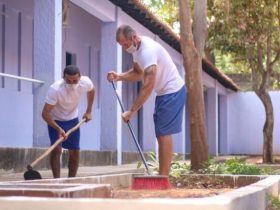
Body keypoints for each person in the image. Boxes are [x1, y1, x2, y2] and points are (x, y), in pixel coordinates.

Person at [107, 25, 186, 176]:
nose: (124, 48)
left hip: (173, 91)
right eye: (121, 45)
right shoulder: (137, 51)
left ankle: (163, 177)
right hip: (163, 93)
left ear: (134, 37)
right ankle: (163, 175)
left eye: (125, 44)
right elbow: (138, 73)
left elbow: (148, 84)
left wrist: (132, 110)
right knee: (160, 132)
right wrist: (120, 76)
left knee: (163, 133)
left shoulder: (148, 51)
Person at [42, 65, 95, 178]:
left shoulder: (85, 82)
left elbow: (91, 90)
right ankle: (57, 181)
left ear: (80, 77)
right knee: (56, 150)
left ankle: (71, 180)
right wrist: (58, 128)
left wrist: (89, 111)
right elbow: (45, 113)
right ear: (63, 78)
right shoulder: (55, 89)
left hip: (73, 119)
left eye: (75, 81)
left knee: (75, 151)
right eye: (68, 81)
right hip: (55, 120)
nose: (71, 84)